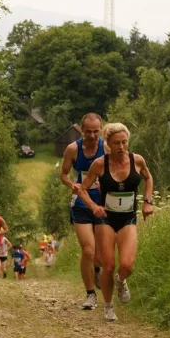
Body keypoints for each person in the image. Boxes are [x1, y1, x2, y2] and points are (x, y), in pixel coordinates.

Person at [76, 122, 154, 321]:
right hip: (106, 219)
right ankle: (109, 306)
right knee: (108, 265)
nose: (121, 147)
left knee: (127, 264)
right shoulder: (100, 164)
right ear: (108, 144)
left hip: (128, 217)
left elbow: (148, 178)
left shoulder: (137, 160)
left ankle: (121, 281)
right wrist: (94, 207)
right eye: (117, 143)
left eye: (124, 142)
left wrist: (147, 202)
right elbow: (81, 189)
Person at [59, 112, 106, 310]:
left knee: (100, 255)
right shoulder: (73, 149)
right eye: (89, 132)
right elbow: (63, 174)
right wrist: (72, 184)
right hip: (81, 204)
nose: (93, 136)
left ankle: (97, 268)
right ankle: (90, 294)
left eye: (96, 131)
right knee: (88, 250)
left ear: (101, 129)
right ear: (81, 129)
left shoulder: (107, 147)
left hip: (104, 204)